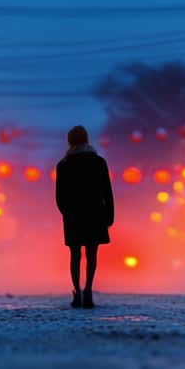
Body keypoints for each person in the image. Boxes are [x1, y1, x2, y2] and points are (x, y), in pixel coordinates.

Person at [55, 125, 114, 309]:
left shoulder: (64, 165)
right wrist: (109, 215)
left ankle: (77, 292)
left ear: (70, 142)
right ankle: (89, 289)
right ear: (87, 140)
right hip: (96, 212)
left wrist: (66, 212)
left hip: (73, 214)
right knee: (92, 253)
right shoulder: (99, 162)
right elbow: (107, 192)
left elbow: (60, 196)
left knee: (74, 254)